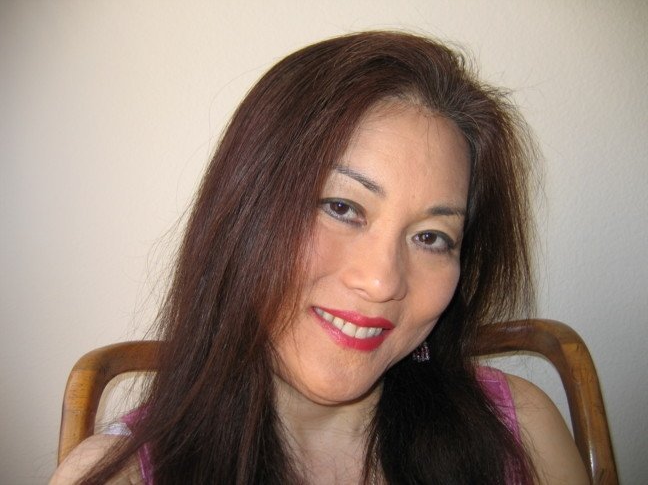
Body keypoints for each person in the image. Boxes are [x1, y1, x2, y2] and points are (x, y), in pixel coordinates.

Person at [51, 31, 588, 484]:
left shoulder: (522, 433)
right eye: (342, 207)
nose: (381, 281)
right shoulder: (116, 475)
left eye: (431, 237)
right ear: (243, 215)